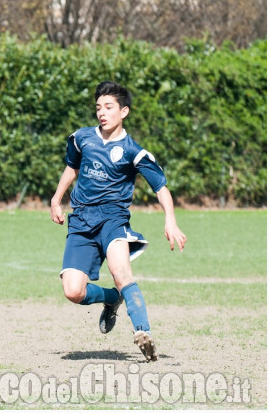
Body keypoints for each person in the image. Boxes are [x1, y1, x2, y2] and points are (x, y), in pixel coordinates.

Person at [49, 81, 186, 362]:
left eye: (109, 107)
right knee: (73, 291)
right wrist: (56, 198)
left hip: (113, 220)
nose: (102, 112)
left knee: (121, 272)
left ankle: (142, 332)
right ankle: (111, 299)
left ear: (124, 111)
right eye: (98, 107)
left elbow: (161, 187)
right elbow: (71, 168)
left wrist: (170, 221)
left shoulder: (134, 151)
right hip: (81, 222)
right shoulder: (81, 138)